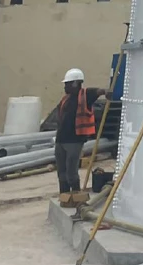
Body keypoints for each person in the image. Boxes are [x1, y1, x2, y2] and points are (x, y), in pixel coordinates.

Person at [44, 68, 105, 206]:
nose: (65, 86)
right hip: (61, 140)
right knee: (62, 172)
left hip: (74, 141)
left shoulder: (85, 95)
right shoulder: (65, 99)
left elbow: (98, 91)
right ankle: (65, 198)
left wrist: (106, 92)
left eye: (67, 84)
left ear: (76, 83)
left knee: (71, 172)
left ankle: (77, 199)